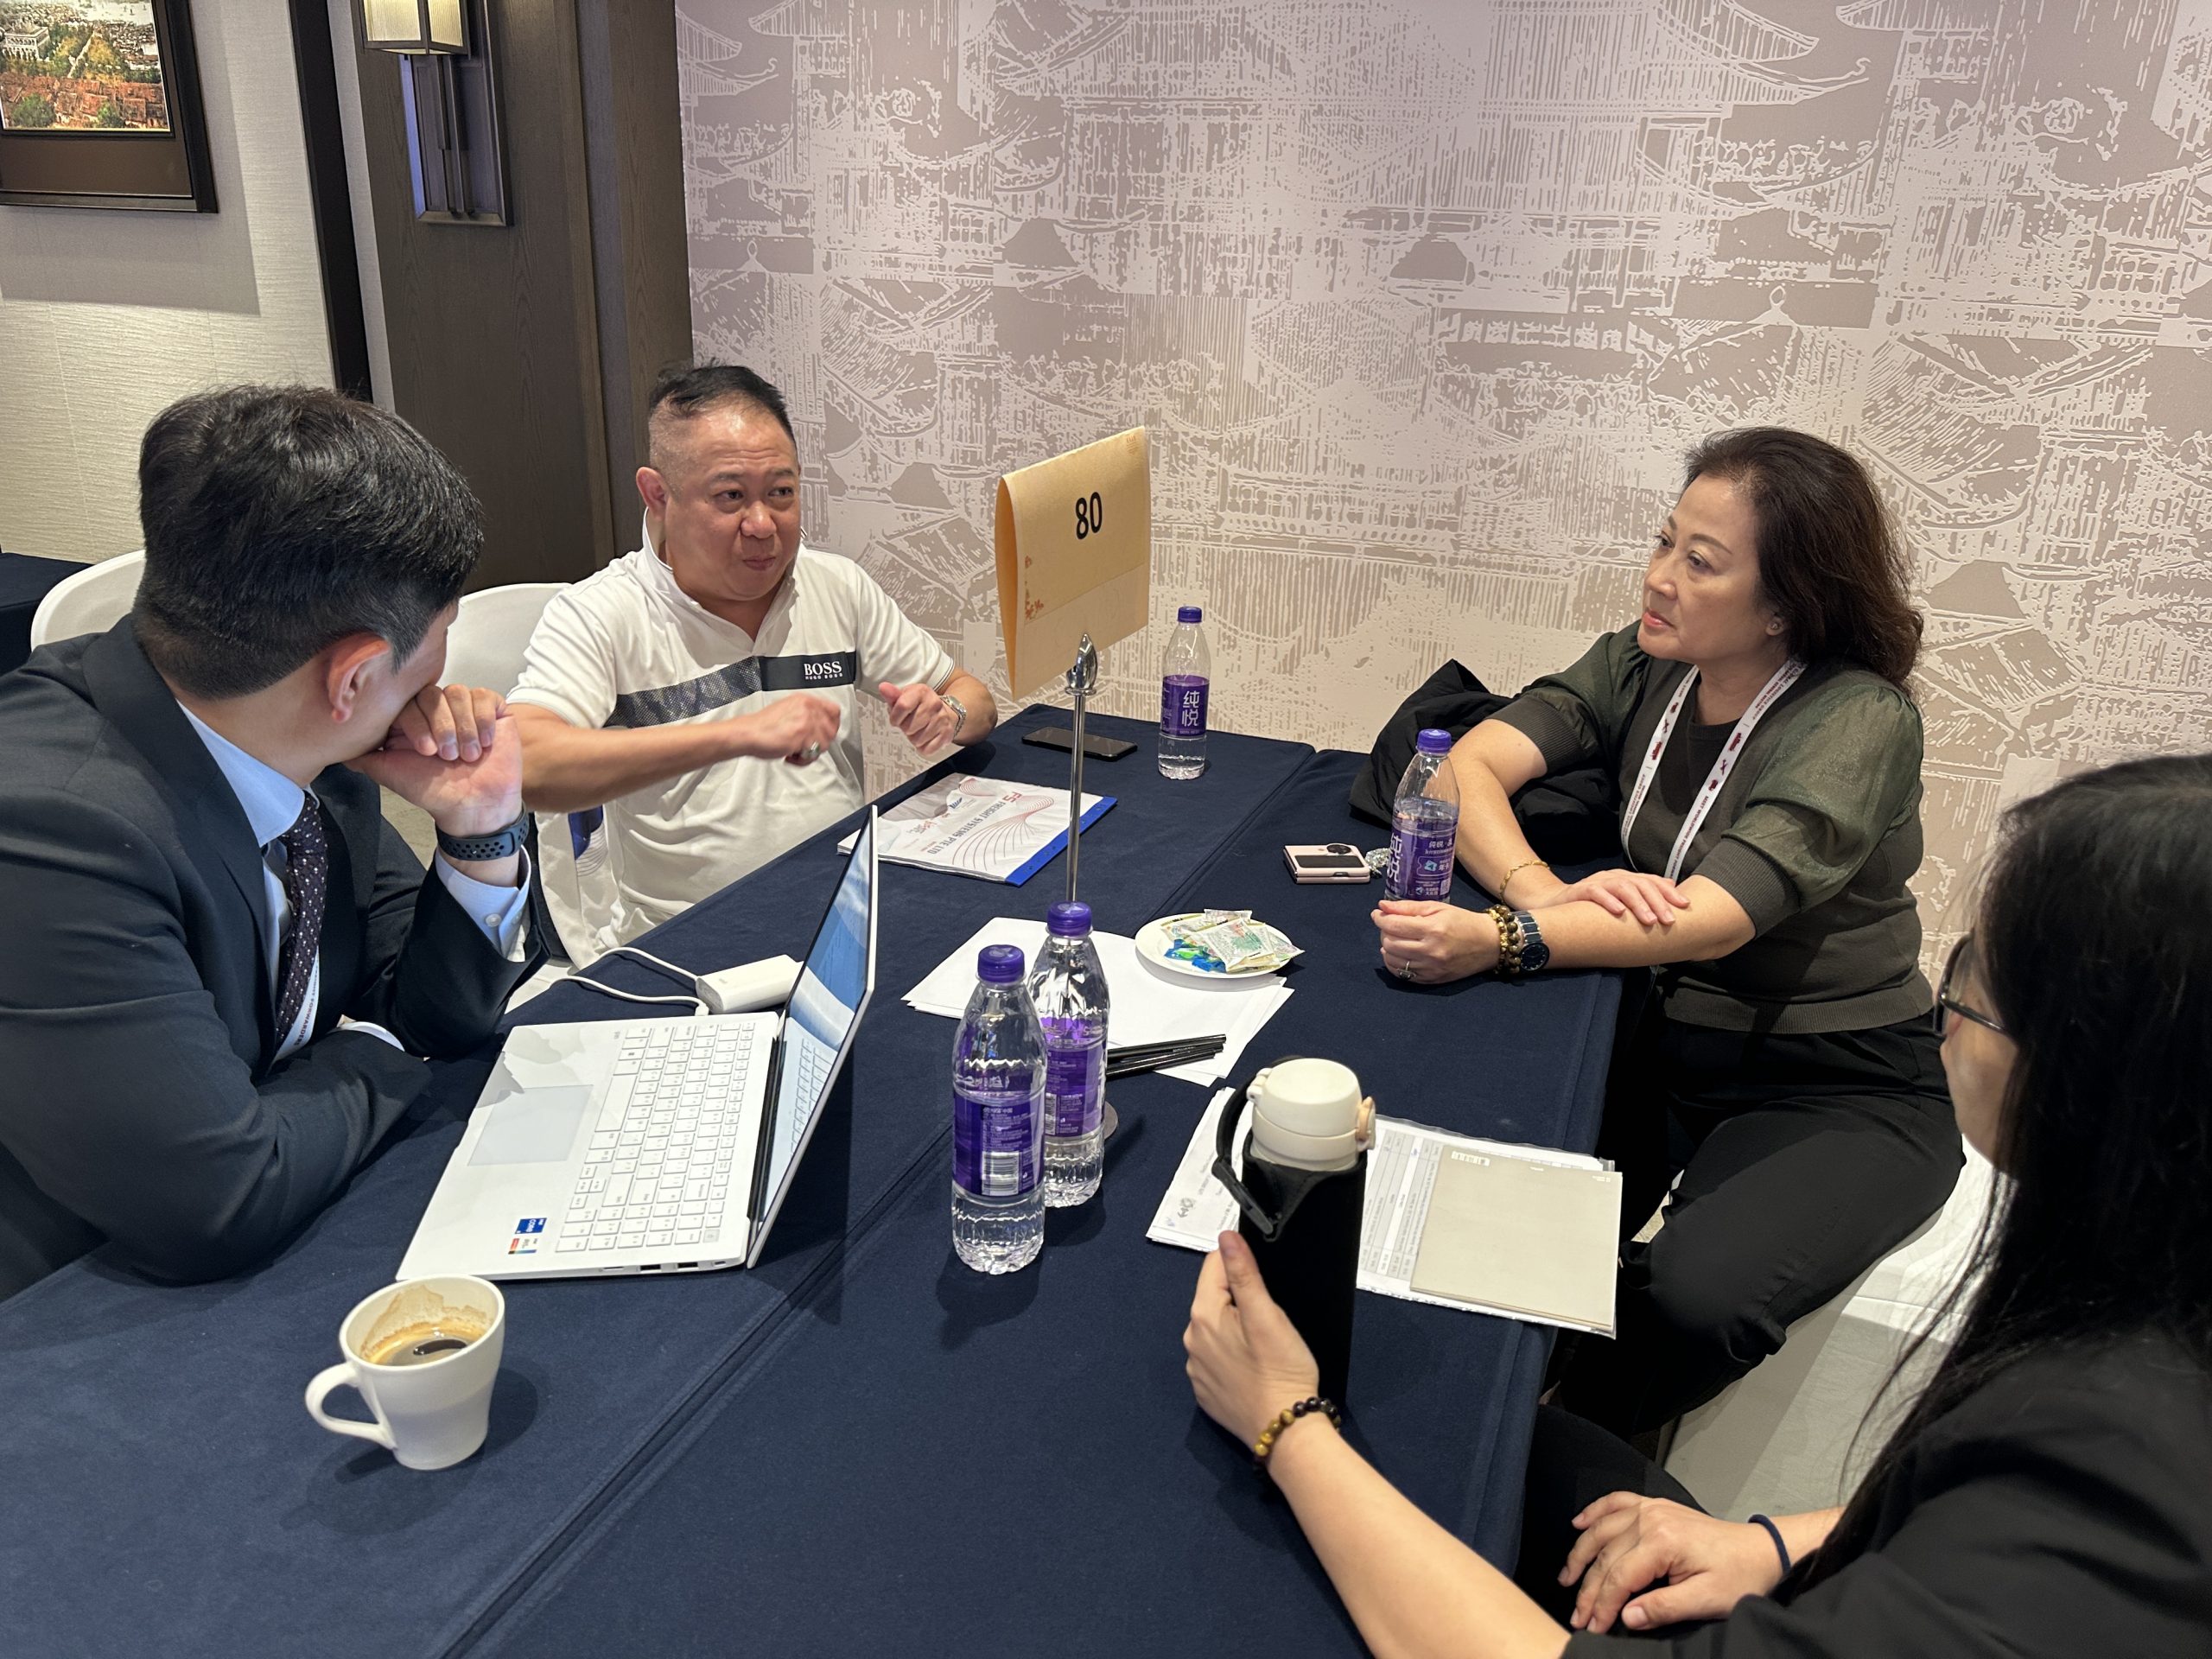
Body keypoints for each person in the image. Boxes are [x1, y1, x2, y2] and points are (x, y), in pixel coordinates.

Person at [1187, 754, 2212, 1656]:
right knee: (1511, 1452)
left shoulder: (2120, 1469)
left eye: (1978, 981)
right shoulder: (2131, 1355)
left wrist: (1289, 1426)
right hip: (1813, 1563)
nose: (1949, 1012)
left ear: (2104, 1071)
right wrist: (1779, 1544)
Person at [1373, 428, 1959, 1433]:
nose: (1658, 577)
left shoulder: (1857, 719)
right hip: (1657, 1029)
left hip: (1832, 1074)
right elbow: (1461, 769)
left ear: (1786, 605)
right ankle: (1449, 1420)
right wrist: (1534, 891)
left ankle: (1550, 1455)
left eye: (1701, 561)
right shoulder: (1643, 664)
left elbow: (1712, 921)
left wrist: (1505, 938)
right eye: (1663, 542)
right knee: (1465, 1189)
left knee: (1693, 1302)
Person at [0, 386, 541, 1300]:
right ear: (354, 676)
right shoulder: (52, 832)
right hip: (75, 1297)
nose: (440, 680)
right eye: (441, 637)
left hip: (281, 1209)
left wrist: (479, 828)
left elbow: (432, 1010)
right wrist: (382, 1049)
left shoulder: (298, 740)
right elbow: (218, 1199)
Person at [508, 364, 998, 947]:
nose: (763, 525)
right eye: (731, 496)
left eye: (781, 493)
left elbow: (974, 698)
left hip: (840, 920)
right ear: (658, 495)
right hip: (683, 943)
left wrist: (948, 715)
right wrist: (738, 735)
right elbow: (526, 764)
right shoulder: (600, 612)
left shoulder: (835, 585)